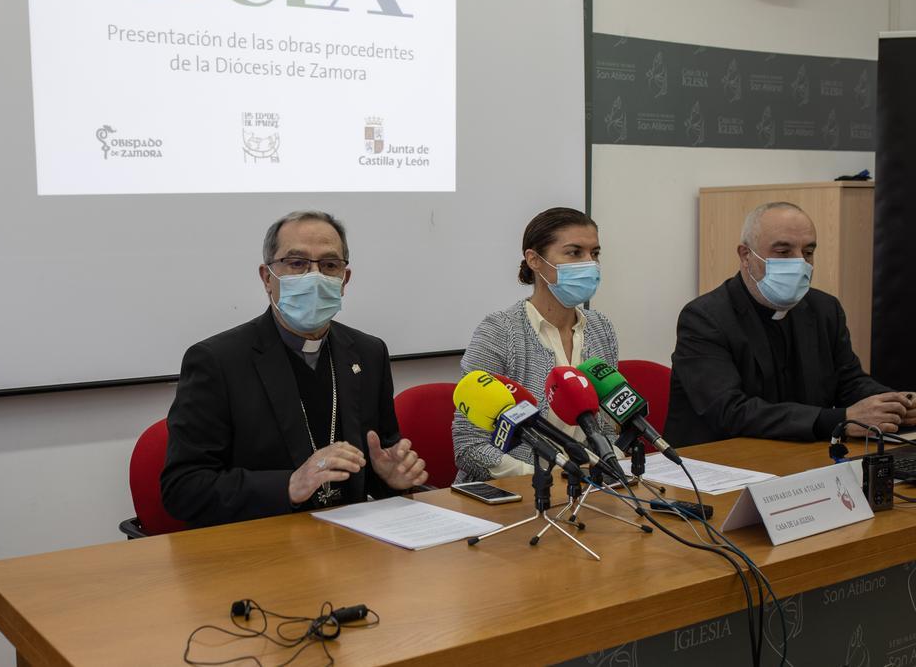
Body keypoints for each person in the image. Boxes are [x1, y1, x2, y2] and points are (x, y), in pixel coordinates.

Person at [160, 210, 429, 527]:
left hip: (354, 543)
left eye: (329, 265)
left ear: (344, 280)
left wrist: (393, 480)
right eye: (297, 263)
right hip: (263, 546)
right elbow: (183, 488)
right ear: (267, 278)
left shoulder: (369, 353)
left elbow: (379, 460)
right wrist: (289, 485)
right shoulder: (216, 361)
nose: (314, 277)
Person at [665, 202, 916, 446]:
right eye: (783, 252)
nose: (800, 262)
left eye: (808, 252)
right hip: (715, 467)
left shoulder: (825, 309)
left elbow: (848, 382)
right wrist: (841, 420)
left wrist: (895, 404)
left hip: (797, 457)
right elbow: (730, 411)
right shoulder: (704, 318)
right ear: (745, 256)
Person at [451, 207, 619, 482]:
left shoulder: (601, 328)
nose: (590, 264)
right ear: (535, 260)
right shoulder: (499, 331)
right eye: (575, 253)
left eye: (595, 253)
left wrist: (609, 463)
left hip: (584, 490)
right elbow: (469, 447)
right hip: (511, 495)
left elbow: (607, 429)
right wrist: (545, 477)